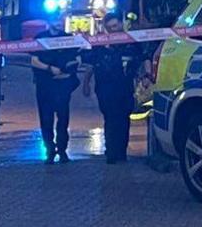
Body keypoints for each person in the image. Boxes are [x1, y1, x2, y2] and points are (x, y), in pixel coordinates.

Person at [83, 14, 149, 163]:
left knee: (124, 119)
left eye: (116, 25)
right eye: (111, 27)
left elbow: (143, 58)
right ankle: (112, 153)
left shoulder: (131, 43)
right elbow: (91, 65)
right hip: (105, 87)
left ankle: (121, 152)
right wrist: (86, 83)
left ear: (121, 24)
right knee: (111, 119)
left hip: (125, 87)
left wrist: (146, 76)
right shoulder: (100, 44)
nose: (114, 29)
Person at [31, 20, 80, 163]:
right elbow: (34, 61)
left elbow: (77, 59)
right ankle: (50, 150)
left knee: (63, 119)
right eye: (56, 20)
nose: (59, 23)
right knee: (46, 119)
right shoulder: (40, 38)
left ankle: (62, 150)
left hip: (63, 84)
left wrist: (67, 71)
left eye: (61, 20)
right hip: (45, 84)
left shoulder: (69, 38)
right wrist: (49, 69)